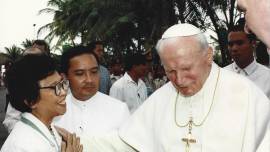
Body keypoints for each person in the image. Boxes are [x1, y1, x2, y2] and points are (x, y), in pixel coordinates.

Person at [57, 23, 270, 152]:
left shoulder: (246, 95)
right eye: (170, 71)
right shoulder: (164, 97)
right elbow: (126, 142)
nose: (179, 80)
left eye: (186, 68)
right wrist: (74, 142)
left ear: (208, 55)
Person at [1, 54, 82, 152]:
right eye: (54, 87)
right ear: (31, 101)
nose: (64, 92)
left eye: (62, 83)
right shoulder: (22, 146)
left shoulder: (47, 126)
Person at [53, 45, 130, 137]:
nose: (89, 80)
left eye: (94, 72)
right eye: (80, 74)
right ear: (65, 77)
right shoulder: (54, 112)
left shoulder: (119, 110)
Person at [225, 25, 270, 98]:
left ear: (253, 44)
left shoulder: (267, 77)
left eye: (239, 43)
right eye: (230, 44)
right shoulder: (220, 76)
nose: (234, 48)